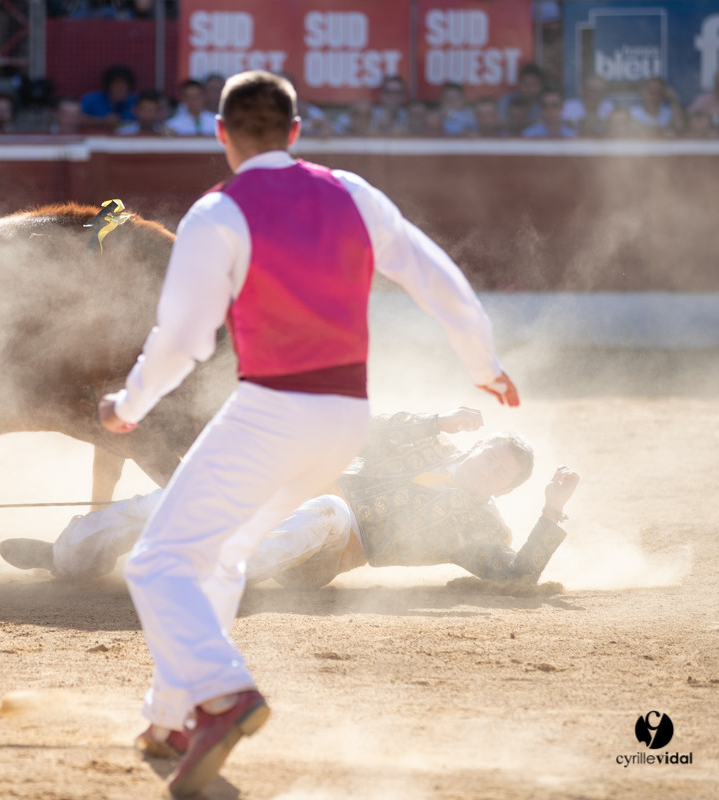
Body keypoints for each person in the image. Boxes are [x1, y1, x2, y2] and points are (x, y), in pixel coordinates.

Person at [94, 70, 518, 797]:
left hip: (271, 412)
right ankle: (170, 717)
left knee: (157, 561)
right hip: (346, 418)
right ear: (296, 132)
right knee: (221, 555)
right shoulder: (353, 193)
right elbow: (437, 279)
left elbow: (184, 339)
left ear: (220, 134)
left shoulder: (216, 212)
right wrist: (485, 365)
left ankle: (222, 693)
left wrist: (129, 404)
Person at [1, 407, 578, 590]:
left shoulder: (481, 525)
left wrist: (551, 510)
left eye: (505, 474)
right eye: (494, 455)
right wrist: (437, 419)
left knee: (330, 511)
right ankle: (67, 557)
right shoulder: (422, 448)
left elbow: (518, 574)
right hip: (291, 489)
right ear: (477, 448)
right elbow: (366, 430)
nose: (492, 470)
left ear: (506, 489)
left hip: (328, 548)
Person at [81, 64, 137, 129]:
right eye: (115, 84)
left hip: (130, 137)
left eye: (123, 84)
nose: (119, 88)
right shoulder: (92, 99)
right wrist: (103, 121)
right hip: (96, 137)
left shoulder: (136, 101)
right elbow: (76, 118)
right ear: (108, 85)